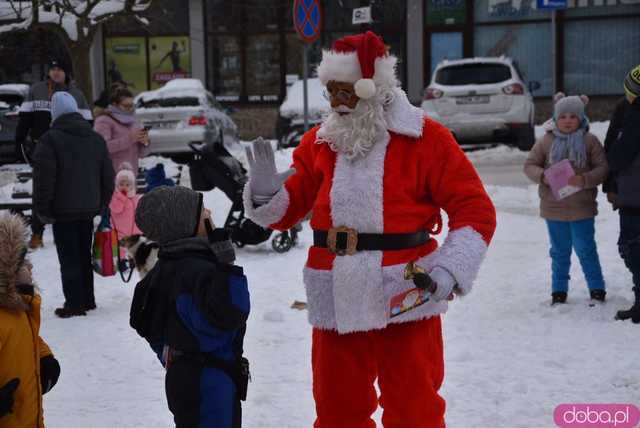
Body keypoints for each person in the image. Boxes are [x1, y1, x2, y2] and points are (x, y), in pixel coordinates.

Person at [243, 31, 496, 427]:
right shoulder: (319, 142)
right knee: (337, 409)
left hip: (407, 291)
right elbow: (287, 211)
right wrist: (263, 193)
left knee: (415, 409)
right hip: (336, 292)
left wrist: (449, 269)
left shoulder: (426, 138)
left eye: (347, 93)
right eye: (331, 94)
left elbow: (475, 210)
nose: (338, 105)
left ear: (373, 87)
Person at [132, 186, 250, 427]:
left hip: (185, 378)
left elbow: (144, 321)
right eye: (201, 211)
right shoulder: (196, 272)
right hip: (209, 381)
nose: (208, 211)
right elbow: (232, 313)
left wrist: (173, 356)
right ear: (185, 224)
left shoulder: (165, 267)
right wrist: (228, 268)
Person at [32, 92, 115, 318]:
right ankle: (88, 299)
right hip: (88, 209)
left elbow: (44, 180)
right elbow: (108, 176)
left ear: (55, 113)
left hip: (62, 210)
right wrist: (101, 204)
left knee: (69, 258)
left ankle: (74, 303)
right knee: (83, 254)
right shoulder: (95, 138)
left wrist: (42, 210)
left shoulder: (49, 140)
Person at [524, 93, 608, 305]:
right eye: (563, 116)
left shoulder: (590, 141)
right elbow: (529, 165)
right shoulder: (545, 142)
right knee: (559, 252)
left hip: (583, 208)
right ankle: (559, 290)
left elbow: (603, 168)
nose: (568, 120)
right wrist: (542, 176)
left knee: (586, 248)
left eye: (573, 116)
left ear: (581, 118)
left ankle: (597, 288)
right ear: (555, 118)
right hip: (554, 209)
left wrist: (585, 179)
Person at [15, 59, 93, 249]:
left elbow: (88, 124)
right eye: (53, 69)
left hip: (70, 151)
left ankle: (67, 229)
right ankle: (37, 232)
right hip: (42, 148)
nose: (56, 73)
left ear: (67, 73)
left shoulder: (76, 94)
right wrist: (19, 141)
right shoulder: (37, 90)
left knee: (67, 190)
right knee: (41, 190)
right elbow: (25, 119)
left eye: (60, 69)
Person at [0, 213, 60, 427]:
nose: (31, 268)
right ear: (6, 272)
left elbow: (27, 338)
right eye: (23, 263)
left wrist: (44, 357)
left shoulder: (17, 308)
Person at [608, 64, 640, 323]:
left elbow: (619, 156)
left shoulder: (634, 116)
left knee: (632, 248)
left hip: (634, 197)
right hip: (630, 193)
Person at [94, 88, 150, 174]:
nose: (130, 109)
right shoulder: (103, 121)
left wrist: (145, 142)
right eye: (126, 106)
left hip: (130, 175)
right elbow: (102, 148)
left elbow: (142, 154)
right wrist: (130, 138)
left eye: (132, 105)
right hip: (111, 175)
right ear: (114, 104)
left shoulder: (134, 121)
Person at [109, 163, 142, 239]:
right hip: (120, 233)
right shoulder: (115, 198)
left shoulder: (135, 198)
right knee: (121, 249)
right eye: (121, 184)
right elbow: (116, 209)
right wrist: (121, 197)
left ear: (132, 186)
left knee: (133, 250)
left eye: (127, 185)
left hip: (135, 233)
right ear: (117, 185)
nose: (124, 187)